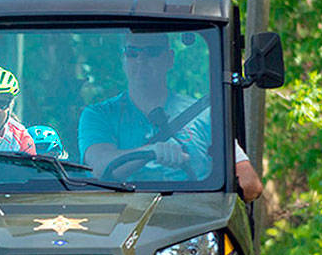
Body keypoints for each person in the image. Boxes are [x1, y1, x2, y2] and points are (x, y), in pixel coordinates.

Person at [78, 34, 263, 202]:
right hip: (120, 221)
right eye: (132, 53)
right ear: (124, 60)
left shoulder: (204, 114)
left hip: (193, 223)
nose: (141, 60)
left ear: (169, 59)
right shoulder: (99, 115)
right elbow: (99, 168)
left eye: (152, 52)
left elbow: (250, 184)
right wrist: (150, 151)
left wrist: (213, 197)